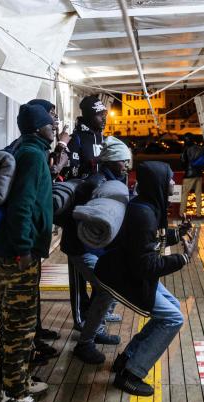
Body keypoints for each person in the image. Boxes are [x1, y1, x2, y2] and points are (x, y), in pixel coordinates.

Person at [95, 161, 198, 396]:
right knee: (173, 318)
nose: (173, 182)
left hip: (127, 271)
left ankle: (128, 358)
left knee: (172, 308)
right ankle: (131, 374)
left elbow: (148, 242)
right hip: (121, 277)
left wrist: (176, 234)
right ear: (158, 182)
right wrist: (183, 258)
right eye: (170, 178)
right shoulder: (144, 214)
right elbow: (146, 266)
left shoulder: (147, 207)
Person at [0, 104, 55, 402]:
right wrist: (24, 247)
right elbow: (22, 206)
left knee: (19, 319)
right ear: (38, 127)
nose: (54, 127)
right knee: (19, 322)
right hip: (17, 253)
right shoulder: (31, 155)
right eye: (50, 123)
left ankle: (17, 379)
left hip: (17, 249)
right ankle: (14, 397)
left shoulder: (29, 150)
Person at [70, 137, 135, 363]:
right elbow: (88, 219)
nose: (126, 165)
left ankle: (96, 329)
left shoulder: (113, 180)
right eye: (122, 161)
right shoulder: (96, 184)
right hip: (84, 247)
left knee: (107, 288)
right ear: (111, 161)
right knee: (107, 289)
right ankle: (85, 343)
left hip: (97, 248)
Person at [62, 95, 108, 330]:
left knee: (102, 261)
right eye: (100, 114)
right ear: (89, 115)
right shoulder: (77, 139)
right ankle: (81, 315)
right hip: (80, 211)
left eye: (105, 113)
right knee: (79, 266)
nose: (104, 118)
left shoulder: (104, 138)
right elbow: (70, 174)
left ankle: (100, 310)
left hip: (101, 211)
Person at [179, 133, 204, 217]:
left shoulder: (186, 149)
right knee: (198, 194)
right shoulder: (198, 148)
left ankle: (182, 213)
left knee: (185, 194)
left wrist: (185, 168)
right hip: (199, 174)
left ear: (186, 140)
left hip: (189, 174)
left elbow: (182, 161)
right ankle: (199, 213)